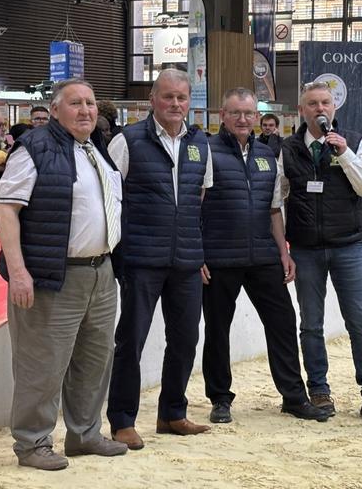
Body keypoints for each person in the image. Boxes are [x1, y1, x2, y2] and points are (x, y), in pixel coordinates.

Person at [0, 78, 126, 471]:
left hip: (101, 273)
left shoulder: (97, 149)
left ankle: (84, 434)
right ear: (54, 110)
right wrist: (19, 273)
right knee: (42, 364)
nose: (85, 110)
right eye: (75, 103)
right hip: (54, 275)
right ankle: (32, 443)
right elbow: (6, 209)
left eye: (90, 103)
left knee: (95, 360)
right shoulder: (33, 148)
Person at [201, 88, 329, 424]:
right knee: (217, 330)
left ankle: (293, 397)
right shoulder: (206, 151)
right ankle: (220, 398)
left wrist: (282, 251)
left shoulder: (267, 156)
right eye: (235, 113)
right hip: (219, 257)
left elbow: (274, 209)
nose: (242, 119)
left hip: (263, 256)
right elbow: (195, 206)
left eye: (248, 113)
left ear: (257, 118)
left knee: (283, 323)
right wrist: (198, 254)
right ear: (222, 116)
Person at [106, 68, 213, 451]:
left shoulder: (201, 144)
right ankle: (122, 420)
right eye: (167, 96)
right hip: (140, 259)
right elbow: (111, 201)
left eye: (181, 98)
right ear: (151, 100)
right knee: (130, 341)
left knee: (185, 339)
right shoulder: (127, 141)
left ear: (189, 102)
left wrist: (194, 247)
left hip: (185, 261)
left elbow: (199, 199)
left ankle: (172, 413)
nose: (175, 104)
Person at [280, 81, 362, 422]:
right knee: (311, 324)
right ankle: (319, 391)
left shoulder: (355, 143)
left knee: (360, 323)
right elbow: (278, 196)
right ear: (301, 111)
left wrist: (344, 153)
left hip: (347, 247)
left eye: (325, 103)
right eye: (312, 104)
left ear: (335, 108)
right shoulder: (287, 149)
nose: (320, 109)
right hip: (305, 249)